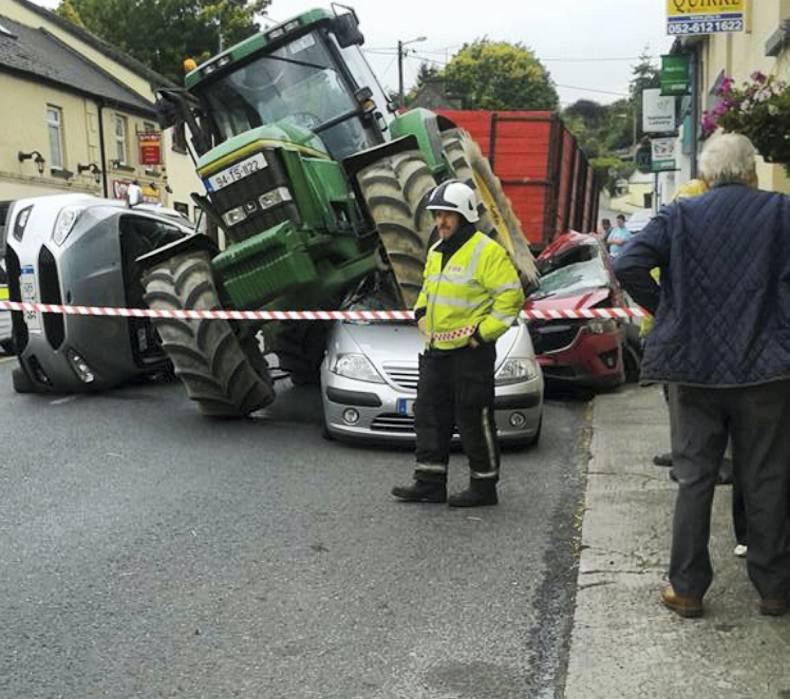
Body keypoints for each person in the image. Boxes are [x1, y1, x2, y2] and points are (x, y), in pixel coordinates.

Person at [614, 133, 790, 619]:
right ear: (752, 171)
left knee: (694, 478)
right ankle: (775, 589)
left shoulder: (681, 215)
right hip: (767, 370)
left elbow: (628, 262)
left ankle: (688, 589)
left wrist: (666, 312)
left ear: (706, 176)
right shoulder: (781, 212)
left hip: (693, 370)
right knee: (768, 477)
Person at [391, 181, 525, 508]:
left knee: (473, 417)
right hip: (437, 351)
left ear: (464, 214)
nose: (440, 221)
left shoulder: (487, 251)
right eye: (437, 215)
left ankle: (483, 487)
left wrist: (482, 334)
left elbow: (511, 298)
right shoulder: (436, 250)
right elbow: (429, 290)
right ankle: (429, 483)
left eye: (446, 215)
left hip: (471, 354)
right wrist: (420, 311)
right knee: (429, 415)